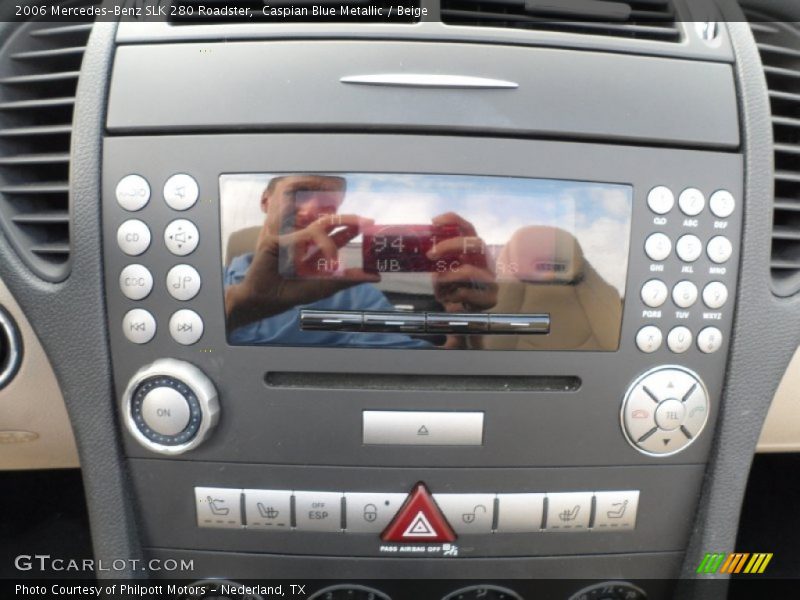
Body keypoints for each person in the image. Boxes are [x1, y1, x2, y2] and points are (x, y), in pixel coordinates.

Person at [224, 175, 431, 347]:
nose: (312, 211)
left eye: (328, 204)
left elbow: (411, 366)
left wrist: (458, 328)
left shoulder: (355, 295)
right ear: (264, 200)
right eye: (298, 193)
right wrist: (237, 305)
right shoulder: (210, 281)